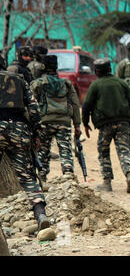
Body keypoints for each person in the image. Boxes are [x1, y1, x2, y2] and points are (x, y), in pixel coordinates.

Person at [0, 67, 50, 231]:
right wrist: (36, 132)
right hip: (19, 130)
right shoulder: (19, 79)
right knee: (27, 177)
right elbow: (34, 108)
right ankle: (40, 214)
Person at [82, 58, 130, 193]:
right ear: (110, 69)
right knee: (124, 149)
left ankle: (107, 182)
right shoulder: (121, 83)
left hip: (105, 124)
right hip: (123, 122)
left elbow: (87, 105)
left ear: (96, 71)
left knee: (103, 151)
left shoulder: (95, 85)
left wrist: (85, 123)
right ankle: (129, 174)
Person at [30, 55, 81, 184]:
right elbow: (75, 104)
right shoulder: (66, 83)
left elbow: (31, 104)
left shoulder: (37, 83)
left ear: (43, 67)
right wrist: (77, 125)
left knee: (43, 150)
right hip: (63, 122)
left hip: (45, 122)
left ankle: (42, 178)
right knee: (65, 149)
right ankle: (68, 176)